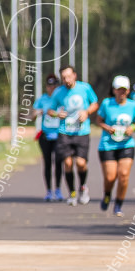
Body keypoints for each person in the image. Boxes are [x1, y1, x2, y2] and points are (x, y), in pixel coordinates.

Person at [48, 65, 99, 206]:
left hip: (82, 132)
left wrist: (87, 112)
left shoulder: (85, 88)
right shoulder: (58, 92)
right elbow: (50, 111)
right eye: (64, 77)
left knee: (81, 163)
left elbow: (95, 103)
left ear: (75, 75)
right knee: (68, 163)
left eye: (69, 76)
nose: (67, 80)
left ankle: (82, 187)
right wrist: (57, 114)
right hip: (65, 132)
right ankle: (72, 192)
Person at [97, 75, 135, 217]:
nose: (121, 92)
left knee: (123, 175)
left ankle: (118, 204)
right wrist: (107, 128)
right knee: (111, 177)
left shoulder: (133, 106)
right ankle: (107, 194)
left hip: (126, 144)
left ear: (128, 91)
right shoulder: (106, 104)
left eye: (124, 90)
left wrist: (133, 128)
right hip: (108, 145)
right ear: (114, 90)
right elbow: (99, 121)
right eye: (119, 89)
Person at [33, 73, 63, 201]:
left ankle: (58, 189)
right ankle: (49, 191)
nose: (52, 88)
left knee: (58, 163)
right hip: (45, 135)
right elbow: (33, 114)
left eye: (54, 85)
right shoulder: (42, 99)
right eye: (49, 85)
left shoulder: (62, 98)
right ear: (46, 86)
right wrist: (39, 112)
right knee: (47, 163)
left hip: (59, 134)